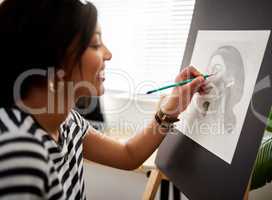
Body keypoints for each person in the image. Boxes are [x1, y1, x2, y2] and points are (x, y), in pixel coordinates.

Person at [0, 0, 206, 199]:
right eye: (95, 44)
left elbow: (128, 155)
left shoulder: (68, 122)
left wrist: (171, 108)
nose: (108, 54)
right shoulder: (18, 152)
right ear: (54, 55)